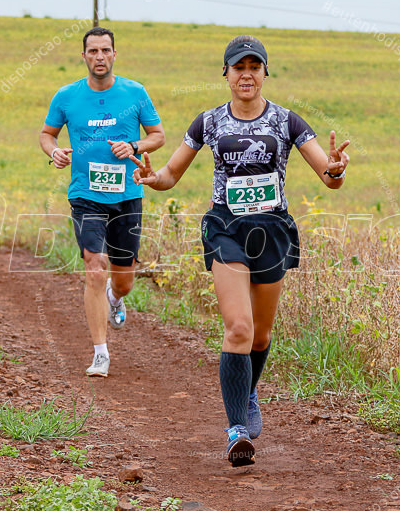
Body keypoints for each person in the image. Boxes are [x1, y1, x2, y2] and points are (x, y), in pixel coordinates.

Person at [132, 35, 350, 466]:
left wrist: (338, 171)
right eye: (238, 67)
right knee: (238, 328)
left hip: (271, 231)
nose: (246, 74)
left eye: (255, 66)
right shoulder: (208, 122)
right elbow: (171, 175)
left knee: (261, 334)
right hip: (226, 228)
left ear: (265, 73)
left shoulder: (288, 122)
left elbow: (328, 175)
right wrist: (150, 177)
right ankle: (236, 431)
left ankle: (248, 389)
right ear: (227, 74)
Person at [39, 26, 166, 378]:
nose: (99, 57)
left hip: (127, 195)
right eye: (92, 51)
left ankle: (115, 297)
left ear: (114, 54)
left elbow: (158, 135)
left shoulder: (135, 92)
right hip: (86, 194)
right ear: (83, 56)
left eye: (105, 51)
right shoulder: (66, 96)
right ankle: (100, 353)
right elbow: (47, 134)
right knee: (94, 265)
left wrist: (135, 147)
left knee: (124, 279)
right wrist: (54, 153)